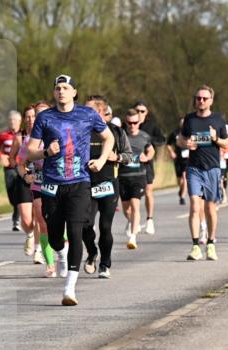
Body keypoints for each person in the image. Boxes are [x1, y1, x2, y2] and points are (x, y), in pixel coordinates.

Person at [27, 74, 114, 305]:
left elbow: (109, 138)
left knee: (76, 231)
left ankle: (70, 288)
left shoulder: (87, 115)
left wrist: (103, 160)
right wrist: (46, 152)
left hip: (80, 182)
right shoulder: (44, 118)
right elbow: (30, 151)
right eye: (57, 88)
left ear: (74, 92)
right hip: (52, 184)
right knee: (55, 235)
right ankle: (60, 254)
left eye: (65, 88)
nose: (61, 92)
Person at [177, 85, 228, 261]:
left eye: (204, 98)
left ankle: (211, 243)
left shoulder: (218, 120)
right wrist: (186, 144)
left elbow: (226, 143)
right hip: (194, 168)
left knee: (210, 208)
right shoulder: (189, 120)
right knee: (194, 206)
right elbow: (180, 139)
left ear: (211, 100)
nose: (201, 101)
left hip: (212, 168)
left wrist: (215, 138)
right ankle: (195, 247)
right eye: (198, 98)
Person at [83, 99, 132, 277]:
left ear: (102, 113)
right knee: (84, 224)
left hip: (108, 184)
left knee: (105, 227)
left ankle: (105, 263)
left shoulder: (116, 132)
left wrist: (116, 157)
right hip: (86, 183)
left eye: (90, 110)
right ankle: (91, 253)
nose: (84, 113)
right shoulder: (81, 131)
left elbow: (129, 157)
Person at [17, 101, 55, 275]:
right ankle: (50, 264)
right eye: (38, 114)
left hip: (59, 184)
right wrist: (26, 175)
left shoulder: (60, 134)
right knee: (42, 222)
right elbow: (20, 164)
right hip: (39, 185)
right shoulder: (29, 141)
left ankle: (63, 253)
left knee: (60, 225)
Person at [118, 108, 154, 249]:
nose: (132, 125)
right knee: (126, 209)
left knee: (135, 206)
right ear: (126, 122)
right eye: (129, 123)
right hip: (122, 176)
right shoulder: (121, 136)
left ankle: (133, 237)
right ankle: (133, 222)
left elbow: (151, 150)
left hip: (138, 176)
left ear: (139, 122)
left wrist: (147, 156)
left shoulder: (144, 136)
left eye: (135, 122)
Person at [6, 106, 37, 258]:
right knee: (26, 218)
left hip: (41, 177)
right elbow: (11, 157)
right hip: (24, 176)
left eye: (33, 116)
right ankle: (30, 234)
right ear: (24, 119)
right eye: (28, 117)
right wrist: (15, 163)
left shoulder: (45, 134)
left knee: (39, 215)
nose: (31, 120)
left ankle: (39, 250)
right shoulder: (20, 136)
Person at [132, 100, 163, 235]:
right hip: (130, 165)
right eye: (137, 111)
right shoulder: (127, 125)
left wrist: (149, 142)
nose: (139, 114)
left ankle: (149, 220)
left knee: (148, 191)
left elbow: (162, 139)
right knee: (131, 197)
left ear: (146, 113)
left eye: (142, 111)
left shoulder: (151, 126)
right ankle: (134, 221)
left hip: (147, 163)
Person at [0, 110, 29, 232]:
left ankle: (16, 219)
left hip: (21, 168)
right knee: (11, 194)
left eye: (15, 120)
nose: (12, 122)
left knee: (19, 192)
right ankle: (16, 211)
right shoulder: (3, 135)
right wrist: (1, 156)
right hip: (9, 168)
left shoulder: (24, 135)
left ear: (20, 121)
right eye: (10, 120)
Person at [165, 120, 189, 205]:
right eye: (181, 122)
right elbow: (168, 143)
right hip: (178, 158)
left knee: (185, 176)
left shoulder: (190, 132)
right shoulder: (175, 133)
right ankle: (181, 189)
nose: (183, 124)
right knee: (180, 180)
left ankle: (182, 197)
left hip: (187, 159)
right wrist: (171, 152)